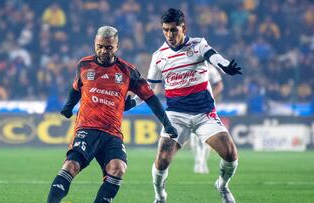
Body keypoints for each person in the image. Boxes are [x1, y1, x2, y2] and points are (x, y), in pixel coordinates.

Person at [46, 26, 177, 203]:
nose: (103, 51)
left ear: (116, 46)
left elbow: (150, 97)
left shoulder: (127, 71)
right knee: (71, 165)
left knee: (118, 168)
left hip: (112, 133)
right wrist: (68, 107)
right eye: (99, 46)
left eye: (108, 47)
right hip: (87, 128)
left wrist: (167, 123)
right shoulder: (84, 65)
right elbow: (77, 87)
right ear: (95, 44)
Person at [125, 8, 241, 203]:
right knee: (162, 159)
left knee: (230, 154)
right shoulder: (159, 56)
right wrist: (133, 102)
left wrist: (225, 65)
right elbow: (150, 88)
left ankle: (222, 185)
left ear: (183, 28)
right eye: (166, 30)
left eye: (173, 30)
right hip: (176, 116)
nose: (170, 34)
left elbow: (214, 56)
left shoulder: (198, 45)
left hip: (204, 114)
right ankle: (160, 196)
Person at [190, 64, 224, 174]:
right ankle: (197, 161)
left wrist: (211, 96)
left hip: (206, 105)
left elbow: (219, 85)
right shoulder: (186, 65)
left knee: (207, 135)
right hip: (190, 104)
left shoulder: (210, 68)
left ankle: (203, 162)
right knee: (193, 136)